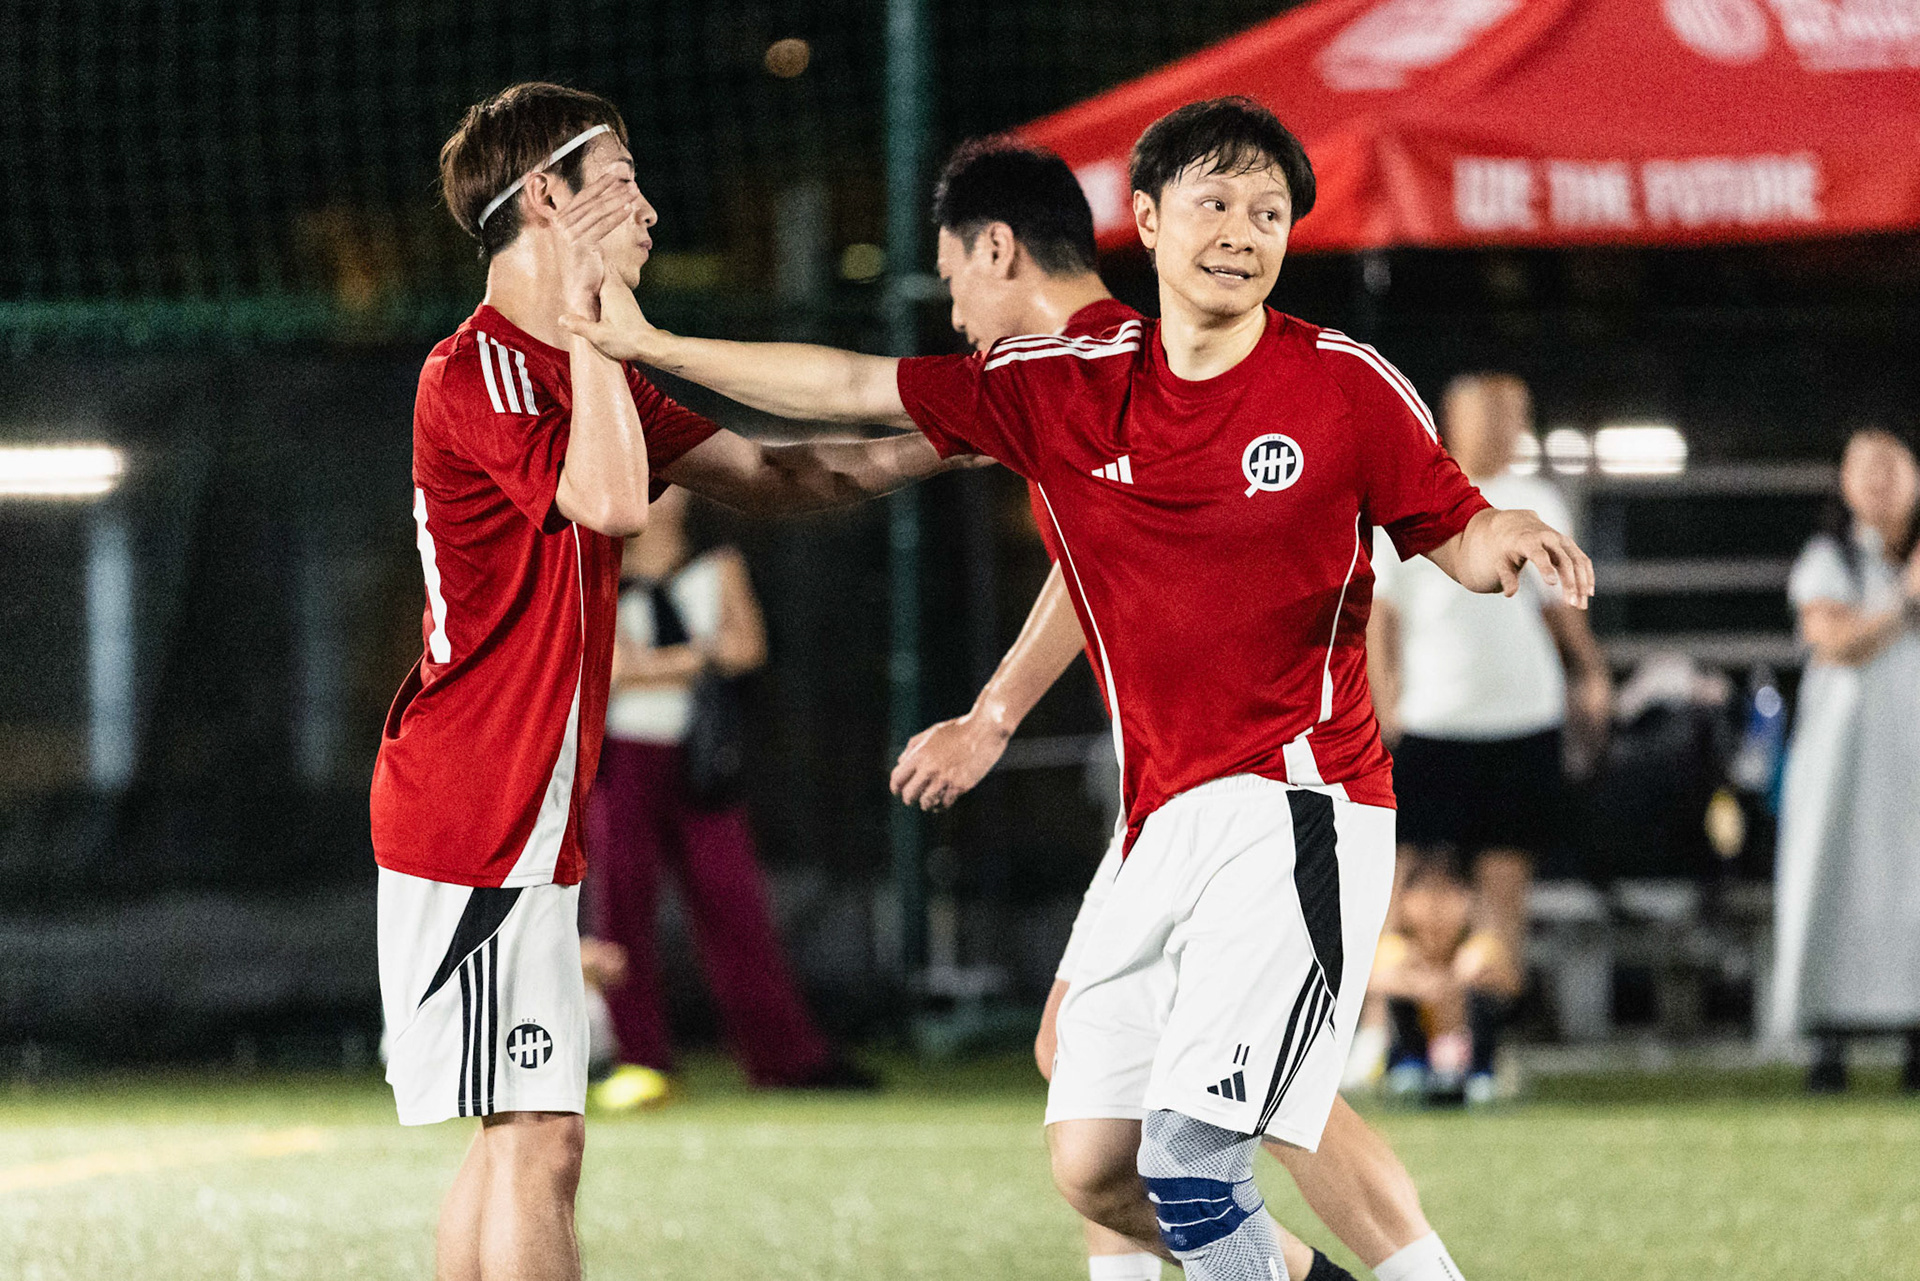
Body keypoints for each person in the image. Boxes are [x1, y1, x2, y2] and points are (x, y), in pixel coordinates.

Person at [562, 97, 1593, 1281]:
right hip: (1161, 815)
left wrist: (1498, 534)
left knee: (1206, 1149)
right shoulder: (1063, 382)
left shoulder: (1345, 383)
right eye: (1215, 203)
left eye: (1269, 211)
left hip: (1295, 804)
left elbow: (1453, 524)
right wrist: (658, 348)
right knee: (1099, 1162)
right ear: (1145, 221)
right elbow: (855, 394)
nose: (1244, 230)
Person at [370, 82, 970, 1281]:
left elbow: (787, 478)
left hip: (522, 810)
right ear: (547, 199)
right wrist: (599, 325)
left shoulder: (593, 374)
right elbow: (607, 499)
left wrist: (971, 430)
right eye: (623, 179)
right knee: (537, 1137)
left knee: (517, 1141)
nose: (649, 204)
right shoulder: (478, 372)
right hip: (473, 808)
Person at [889, 139, 1472, 1281]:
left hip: (1269, 786)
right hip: (1169, 796)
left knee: (1249, 1107)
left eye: (951, 273)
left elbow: (859, 449)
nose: (951, 306)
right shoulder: (1073, 382)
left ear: (997, 249)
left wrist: (682, 405)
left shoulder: (1120, 364)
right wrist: (997, 711)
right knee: (1107, 1101)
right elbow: (1094, 564)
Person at [588, 485, 871, 1108]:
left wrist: (660, 662)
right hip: (622, 759)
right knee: (620, 913)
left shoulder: (718, 566)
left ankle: (788, 1059)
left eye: (664, 487)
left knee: (736, 906)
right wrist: (701, 655)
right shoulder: (598, 567)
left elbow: (748, 650)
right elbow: (609, 671)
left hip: (702, 759)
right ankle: (641, 1063)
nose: (653, 496)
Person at [1364, 372, 1611, 1084]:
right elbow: (1386, 609)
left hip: (1522, 717)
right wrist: (1385, 697)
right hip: (1435, 720)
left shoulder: (1540, 501)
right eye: (1486, 414)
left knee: (1506, 885)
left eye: (1514, 414)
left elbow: (1563, 607)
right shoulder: (1414, 493)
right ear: (1452, 419)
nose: (1501, 427)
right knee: (1401, 884)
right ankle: (1384, 1035)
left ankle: (1487, 1043)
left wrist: (1587, 671)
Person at [1767, 427, 1920, 1092]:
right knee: (1833, 881)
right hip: (1844, 758)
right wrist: (1907, 599)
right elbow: (1834, 641)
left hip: (1912, 752)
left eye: (1892, 465)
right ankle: (1827, 1040)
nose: (1880, 480)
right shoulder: (1829, 558)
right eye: (1865, 468)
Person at [1369, 854, 1521, 1106]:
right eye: (1425, 891)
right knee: (1401, 997)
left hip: (1469, 1050)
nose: (1435, 906)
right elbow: (1373, 980)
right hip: (1419, 1051)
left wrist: (1468, 977)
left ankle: (1480, 1071)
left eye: (1448, 892)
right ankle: (1411, 1065)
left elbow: (1512, 983)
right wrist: (1422, 984)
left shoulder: (1476, 949)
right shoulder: (1399, 950)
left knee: (1483, 996)